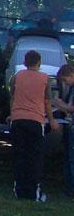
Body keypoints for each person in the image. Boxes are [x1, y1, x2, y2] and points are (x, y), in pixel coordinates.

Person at [9, 50, 60, 202]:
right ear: (39, 62)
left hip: (18, 120)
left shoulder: (17, 77)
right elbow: (47, 102)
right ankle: (33, 193)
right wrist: (51, 120)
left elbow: (12, 97)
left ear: (25, 62)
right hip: (36, 121)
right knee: (34, 158)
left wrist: (12, 114)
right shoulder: (44, 79)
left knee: (20, 156)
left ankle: (19, 190)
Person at [52, 64, 74, 196]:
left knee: (71, 159)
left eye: (65, 80)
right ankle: (68, 186)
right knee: (68, 157)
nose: (65, 83)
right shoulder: (71, 89)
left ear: (71, 75)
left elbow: (71, 108)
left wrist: (58, 103)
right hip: (69, 125)